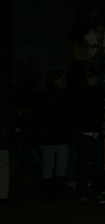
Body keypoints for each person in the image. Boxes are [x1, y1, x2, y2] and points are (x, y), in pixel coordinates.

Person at [34, 70, 72, 201]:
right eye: (62, 80)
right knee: (48, 164)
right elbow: (40, 117)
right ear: (54, 81)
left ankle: (59, 191)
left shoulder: (66, 96)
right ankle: (48, 192)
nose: (64, 82)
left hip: (62, 135)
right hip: (48, 136)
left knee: (63, 163)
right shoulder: (44, 97)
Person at [71, 68, 105, 203]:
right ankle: (82, 192)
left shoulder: (99, 91)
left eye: (98, 77)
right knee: (83, 163)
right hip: (84, 132)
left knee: (99, 162)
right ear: (88, 78)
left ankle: (97, 190)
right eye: (95, 77)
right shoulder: (80, 92)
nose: (97, 79)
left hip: (96, 131)